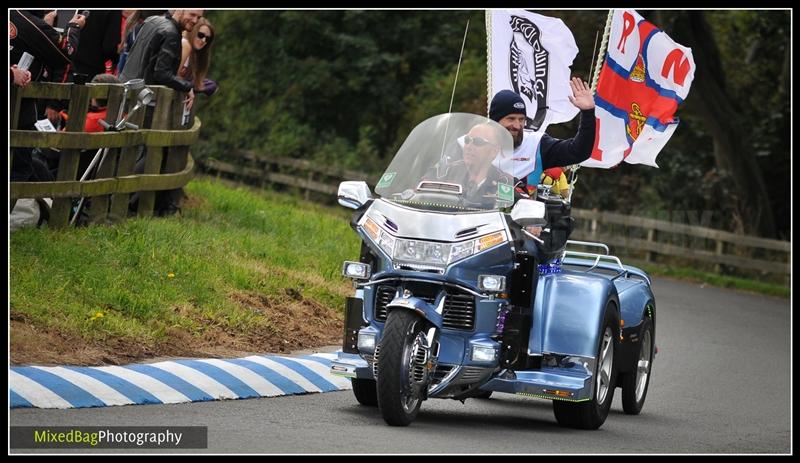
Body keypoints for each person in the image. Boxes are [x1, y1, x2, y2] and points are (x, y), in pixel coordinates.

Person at [489, 77, 595, 194]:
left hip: (521, 211)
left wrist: (588, 113)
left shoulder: (536, 144)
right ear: (494, 121)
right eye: (511, 119)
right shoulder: (472, 143)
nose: (517, 125)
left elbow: (578, 152)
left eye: (521, 119)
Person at [179, 17, 218, 96]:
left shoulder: (198, 55)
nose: (203, 40)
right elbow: (174, 76)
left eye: (207, 39)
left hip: (183, 94)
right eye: (200, 35)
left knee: (212, 85)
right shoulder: (184, 44)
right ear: (193, 32)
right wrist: (187, 87)